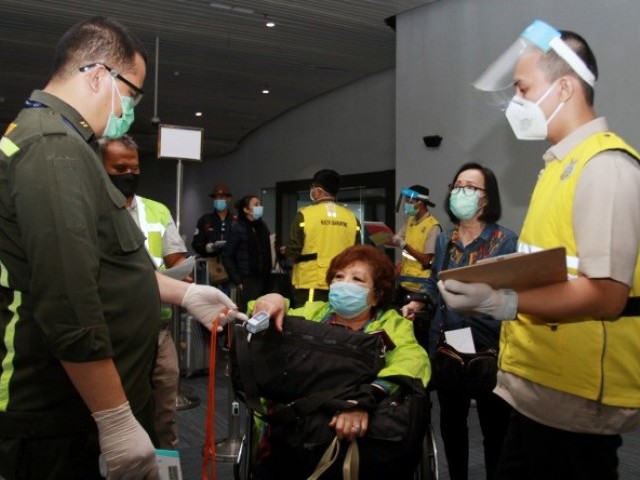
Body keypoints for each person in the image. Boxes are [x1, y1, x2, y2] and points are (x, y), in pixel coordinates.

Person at [0, 17, 241, 480]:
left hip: (76, 406)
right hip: (57, 413)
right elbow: (68, 299)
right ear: (98, 76)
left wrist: (185, 294)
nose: (131, 107)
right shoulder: (54, 147)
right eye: (131, 93)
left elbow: (105, 264)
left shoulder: (67, 143)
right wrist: (113, 418)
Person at [440, 20, 640, 480]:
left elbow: (607, 294)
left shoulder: (604, 167)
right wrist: (497, 273)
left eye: (523, 88)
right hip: (539, 384)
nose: (516, 101)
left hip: (576, 393)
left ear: (564, 87)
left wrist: (501, 300)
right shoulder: (557, 168)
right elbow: (553, 264)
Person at [251, 244, 430, 479]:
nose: (344, 284)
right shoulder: (314, 313)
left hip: (365, 440)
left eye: (357, 279)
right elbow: (262, 320)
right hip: (298, 428)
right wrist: (273, 299)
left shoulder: (391, 324)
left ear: (376, 295)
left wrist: (362, 401)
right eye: (338, 276)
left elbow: (413, 361)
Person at [404, 163, 517, 480]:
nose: (461, 192)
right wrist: (418, 301)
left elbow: (513, 296)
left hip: (488, 348)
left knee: (495, 430)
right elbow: (434, 281)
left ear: (485, 198)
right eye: (457, 185)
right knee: (452, 428)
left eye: (470, 187)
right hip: (448, 345)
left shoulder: (504, 240)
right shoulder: (445, 240)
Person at [100, 134, 190, 450]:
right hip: (115, 331)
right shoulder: (92, 211)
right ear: (101, 168)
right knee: (119, 411)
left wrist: (183, 274)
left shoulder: (157, 211)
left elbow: (176, 259)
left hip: (158, 330)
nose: (129, 174)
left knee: (164, 408)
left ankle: (165, 465)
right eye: (119, 168)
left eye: (135, 168)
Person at [282, 169, 361, 307]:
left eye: (312, 187)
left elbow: (293, 249)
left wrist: (286, 251)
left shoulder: (304, 215)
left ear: (318, 190)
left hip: (311, 282)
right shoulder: (352, 218)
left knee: (309, 319)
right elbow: (357, 251)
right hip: (342, 282)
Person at [222, 195, 273, 312]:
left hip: (265, 278)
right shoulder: (238, 228)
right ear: (246, 209)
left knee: (264, 312)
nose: (260, 207)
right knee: (249, 312)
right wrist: (238, 280)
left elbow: (267, 251)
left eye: (260, 204)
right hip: (248, 280)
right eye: (256, 205)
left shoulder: (262, 226)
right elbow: (227, 256)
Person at [390, 184, 441, 298]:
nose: (406, 204)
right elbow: (396, 239)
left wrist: (404, 245)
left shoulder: (433, 227)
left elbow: (426, 260)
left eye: (410, 201)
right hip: (404, 282)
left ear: (420, 203)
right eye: (406, 201)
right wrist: (382, 235)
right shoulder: (411, 220)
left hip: (421, 286)